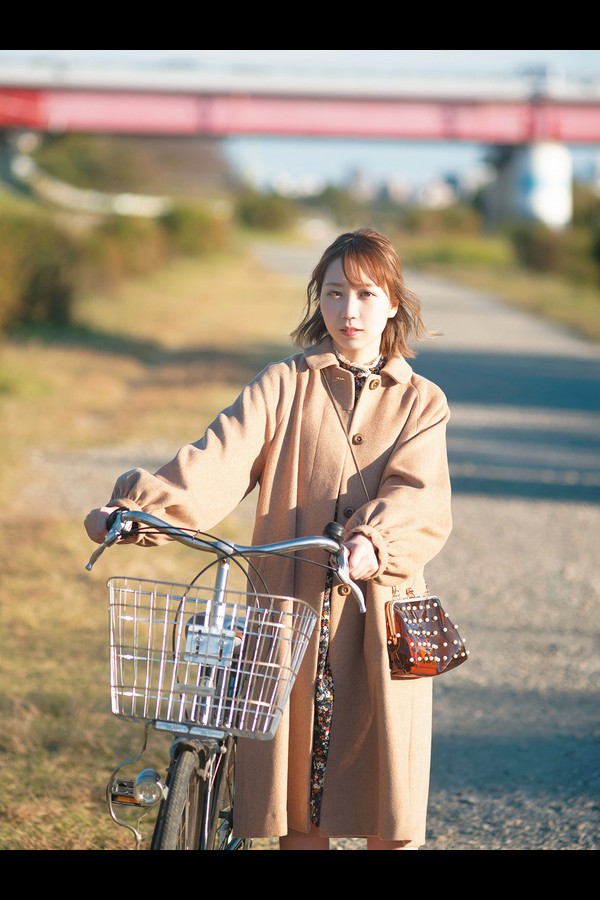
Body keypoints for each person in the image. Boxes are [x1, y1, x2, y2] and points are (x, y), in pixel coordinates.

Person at [84, 227, 452, 851]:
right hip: (286, 613)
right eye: (334, 293)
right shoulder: (283, 384)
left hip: (379, 617)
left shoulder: (421, 402)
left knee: (390, 804)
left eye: (366, 294)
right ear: (318, 299)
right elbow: (217, 460)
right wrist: (137, 511)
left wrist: (374, 543)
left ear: (393, 303)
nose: (349, 309)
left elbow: (419, 496)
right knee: (293, 808)